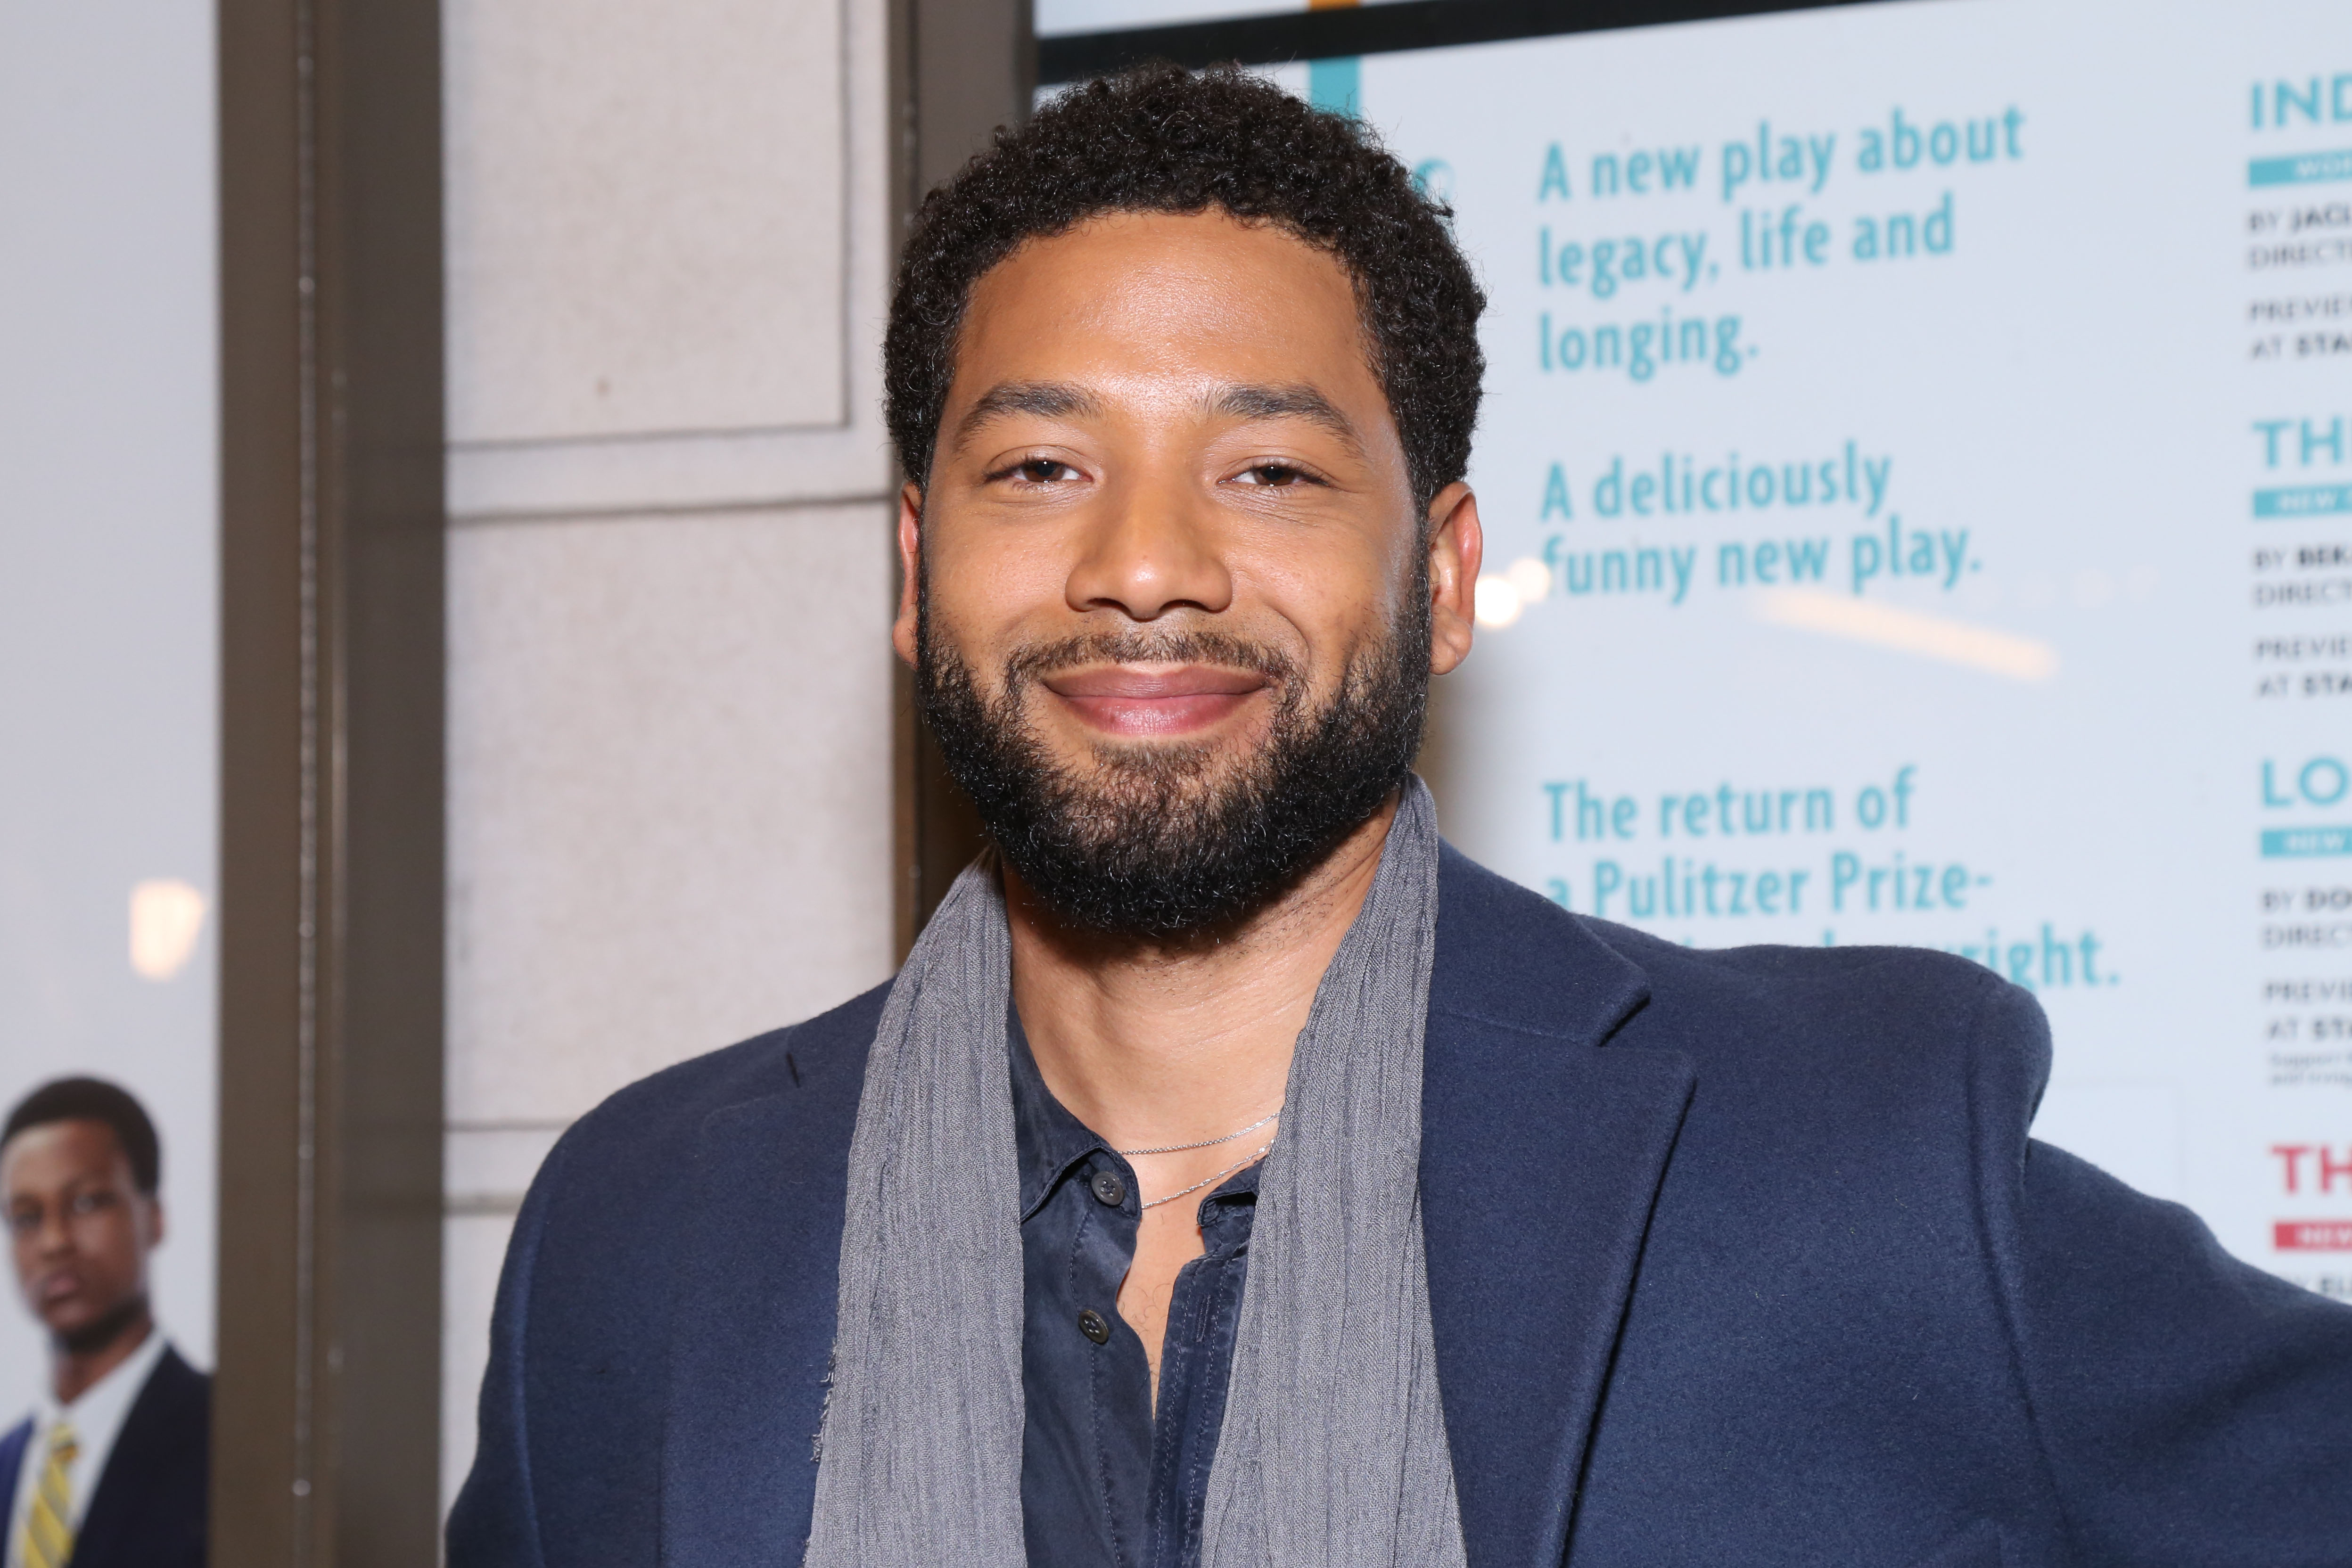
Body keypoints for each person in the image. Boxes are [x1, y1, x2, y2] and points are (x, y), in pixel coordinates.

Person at [449, 65, 2352, 1568]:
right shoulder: (639, 1236)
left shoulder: (1850, 1157)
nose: (1142, 566)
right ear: (915, 562)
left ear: (1439, 579)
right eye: (1042, 465)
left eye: (1264, 467)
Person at [0, 1078, 206, 1568]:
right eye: (27, 1217)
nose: (54, 1242)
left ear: (154, 1217)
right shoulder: (7, 1466)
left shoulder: (227, 1442)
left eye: (87, 1202)